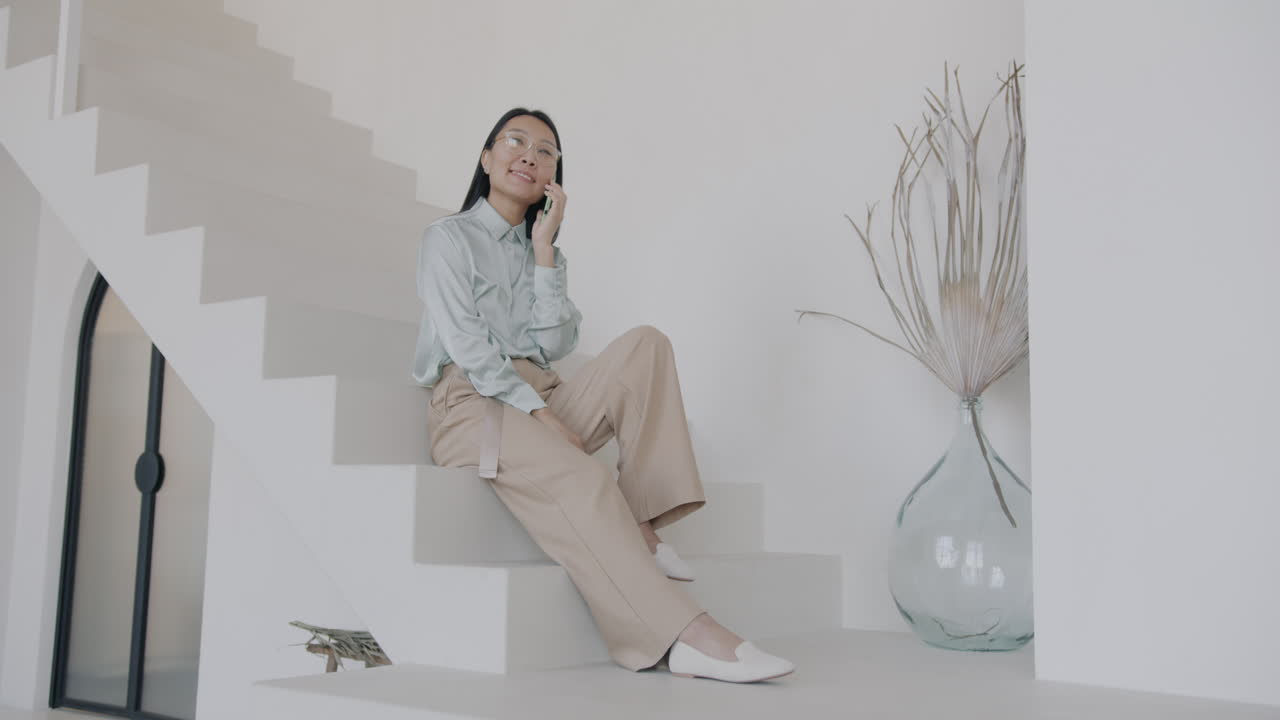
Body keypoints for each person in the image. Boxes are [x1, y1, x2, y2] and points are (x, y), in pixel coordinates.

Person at [412, 107, 795, 683]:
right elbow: (467, 345)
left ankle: (642, 522)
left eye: (546, 151)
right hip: (474, 406)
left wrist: (544, 253)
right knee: (584, 476)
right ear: (487, 158)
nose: (529, 155)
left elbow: (558, 342)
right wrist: (540, 415)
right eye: (514, 142)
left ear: (553, 177)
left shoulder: (544, 249)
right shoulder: (448, 239)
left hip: (541, 390)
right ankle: (683, 636)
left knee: (646, 345)